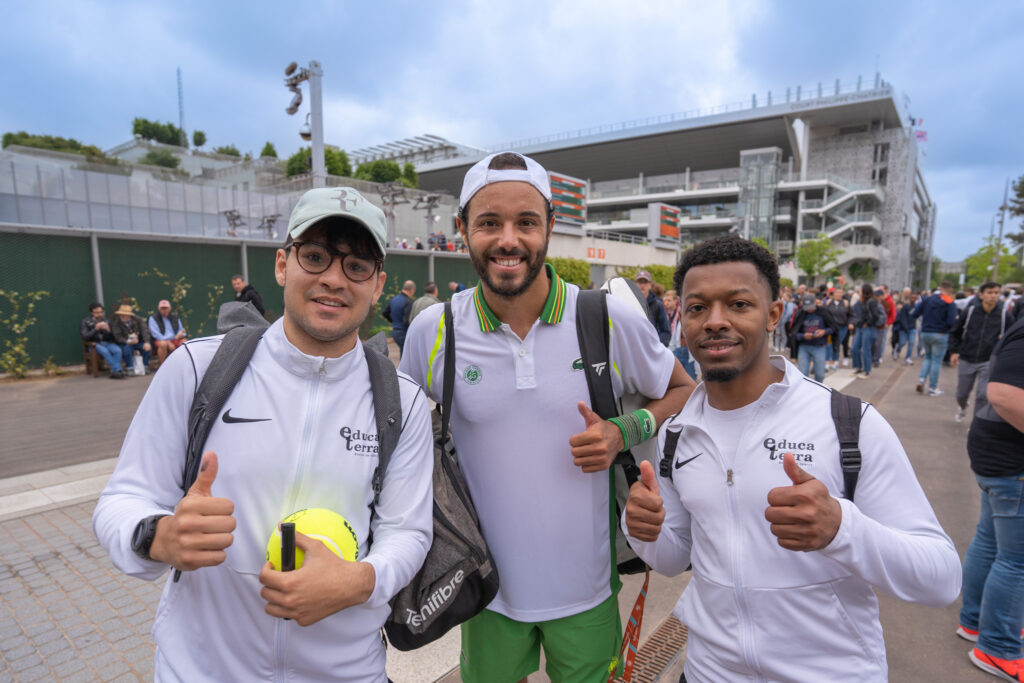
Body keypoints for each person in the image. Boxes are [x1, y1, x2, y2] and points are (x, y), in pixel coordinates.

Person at [92, 186, 433, 682]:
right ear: (282, 265)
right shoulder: (197, 368)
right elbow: (124, 497)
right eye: (315, 257)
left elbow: (408, 531)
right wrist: (157, 536)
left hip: (347, 672)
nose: (334, 279)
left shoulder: (400, 400)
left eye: (356, 266)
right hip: (200, 670)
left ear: (377, 284)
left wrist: (360, 580)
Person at [400, 151, 694, 682]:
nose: (508, 239)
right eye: (489, 222)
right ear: (463, 229)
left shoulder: (605, 318)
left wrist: (623, 430)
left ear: (550, 228)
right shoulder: (434, 330)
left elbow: (681, 390)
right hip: (484, 592)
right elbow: (398, 437)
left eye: (526, 222)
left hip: (587, 591)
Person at [623, 235, 961, 682]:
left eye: (739, 304)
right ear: (680, 320)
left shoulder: (848, 423)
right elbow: (673, 559)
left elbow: (941, 579)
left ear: (774, 315)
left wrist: (843, 528)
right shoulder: (676, 434)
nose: (715, 321)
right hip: (709, 672)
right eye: (698, 307)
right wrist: (644, 531)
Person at [958, 314, 1024, 681]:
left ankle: (976, 622)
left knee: (992, 543)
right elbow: (1004, 393)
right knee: (1016, 560)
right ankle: (998, 645)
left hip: (997, 454)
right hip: (1011, 459)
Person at [949, 282, 1008, 423]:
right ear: (981, 295)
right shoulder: (970, 312)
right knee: (961, 393)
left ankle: (976, 423)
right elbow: (955, 332)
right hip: (966, 357)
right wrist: (954, 351)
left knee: (983, 395)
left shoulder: (1004, 316)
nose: (993, 296)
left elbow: (1008, 339)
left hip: (988, 360)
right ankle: (963, 407)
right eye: (990, 292)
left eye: (996, 293)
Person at [913, 280, 958, 396]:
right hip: (940, 334)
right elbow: (951, 321)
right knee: (936, 361)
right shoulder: (949, 302)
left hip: (925, 332)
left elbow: (914, 313)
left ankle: (921, 380)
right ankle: (933, 388)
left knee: (927, 357)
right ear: (950, 290)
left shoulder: (927, 299)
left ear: (939, 288)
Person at [790, 293, 837, 382]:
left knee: (820, 374)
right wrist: (803, 336)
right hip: (804, 347)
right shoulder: (801, 313)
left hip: (819, 346)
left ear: (815, 303)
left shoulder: (823, 312)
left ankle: (817, 392)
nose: (809, 310)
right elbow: (794, 333)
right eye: (807, 308)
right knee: (803, 374)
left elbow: (833, 328)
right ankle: (805, 393)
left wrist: (824, 332)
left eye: (811, 307)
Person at [80, 302, 127, 379]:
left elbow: (113, 337)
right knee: (105, 351)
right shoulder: (85, 322)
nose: (99, 314)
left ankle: (114, 372)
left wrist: (108, 330)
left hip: (107, 343)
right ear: (92, 312)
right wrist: (95, 329)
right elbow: (85, 336)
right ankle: (118, 370)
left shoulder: (106, 321)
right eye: (97, 312)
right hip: (94, 345)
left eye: (101, 312)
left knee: (117, 350)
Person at [849, 285, 884, 377]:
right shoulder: (861, 302)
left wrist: (868, 323)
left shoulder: (871, 301)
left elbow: (875, 316)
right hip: (860, 328)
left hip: (868, 328)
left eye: (860, 291)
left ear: (865, 292)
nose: (859, 292)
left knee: (866, 350)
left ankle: (867, 370)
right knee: (855, 348)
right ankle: (858, 367)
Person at [664, 289, 696, 380]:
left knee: (691, 383)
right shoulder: (679, 316)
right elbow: (674, 340)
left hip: (691, 356)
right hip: (678, 352)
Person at [111, 303, 152, 373]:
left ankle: (145, 366)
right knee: (127, 349)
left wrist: (147, 342)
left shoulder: (138, 320)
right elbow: (118, 337)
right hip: (125, 343)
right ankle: (129, 368)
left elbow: (145, 330)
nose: (122, 316)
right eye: (121, 314)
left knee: (147, 348)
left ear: (129, 315)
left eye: (124, 314)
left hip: (138, 342)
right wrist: (128, 341)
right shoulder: (116, 323)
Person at [635, 270, 671, 345]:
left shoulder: (658, 305)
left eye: (645, 282)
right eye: (639, 282)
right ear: (635, 284)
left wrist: (655, 344)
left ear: (650, 285)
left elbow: (666, 331)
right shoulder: (629, 303)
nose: (642, 285)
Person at [148, 299, 187, 365]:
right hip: (159, 340)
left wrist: (182, 334)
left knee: (185, 342)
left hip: (175, 339)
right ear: (159, 309)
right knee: (163, 344)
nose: (164, 310)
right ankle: (162, 366)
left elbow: (181, 330)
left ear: (170, 308)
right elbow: (155, 334)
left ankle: (182, 364)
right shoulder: (153, 318)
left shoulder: (175, 317)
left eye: (166, 308)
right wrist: (167, 342)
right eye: (162, 308)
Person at [384, 280, 415, 355]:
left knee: (403, 355)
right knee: (406, 356)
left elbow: (385, 313)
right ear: (412, 290)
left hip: (395, 332)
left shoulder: (394, 299)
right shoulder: (408, 302)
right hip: (403, 332)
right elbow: (406, 321)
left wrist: (394, 322)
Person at [823, 287, 850, 370]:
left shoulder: (845, 303)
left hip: (842, 327)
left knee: (837, 344)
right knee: (828, 344)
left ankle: (835, 361)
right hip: (831, 327)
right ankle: (827, 361)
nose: (839, 294)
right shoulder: (828, 302)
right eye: (837, 292)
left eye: (840, 293)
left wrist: (851, 323)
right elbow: (824, 313)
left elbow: (851, 315)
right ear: (833, 294)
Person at [894, 292, 919, 365]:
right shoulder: (905, 307)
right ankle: (897, 349)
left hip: (912, 328)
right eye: (912, 298)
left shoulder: (916, 307)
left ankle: (908, 357)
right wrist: (905, 327)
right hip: (904, 328)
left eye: (915, 298)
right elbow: (902, 318)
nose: (913, 300)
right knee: (902, 342)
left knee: (911, 343)